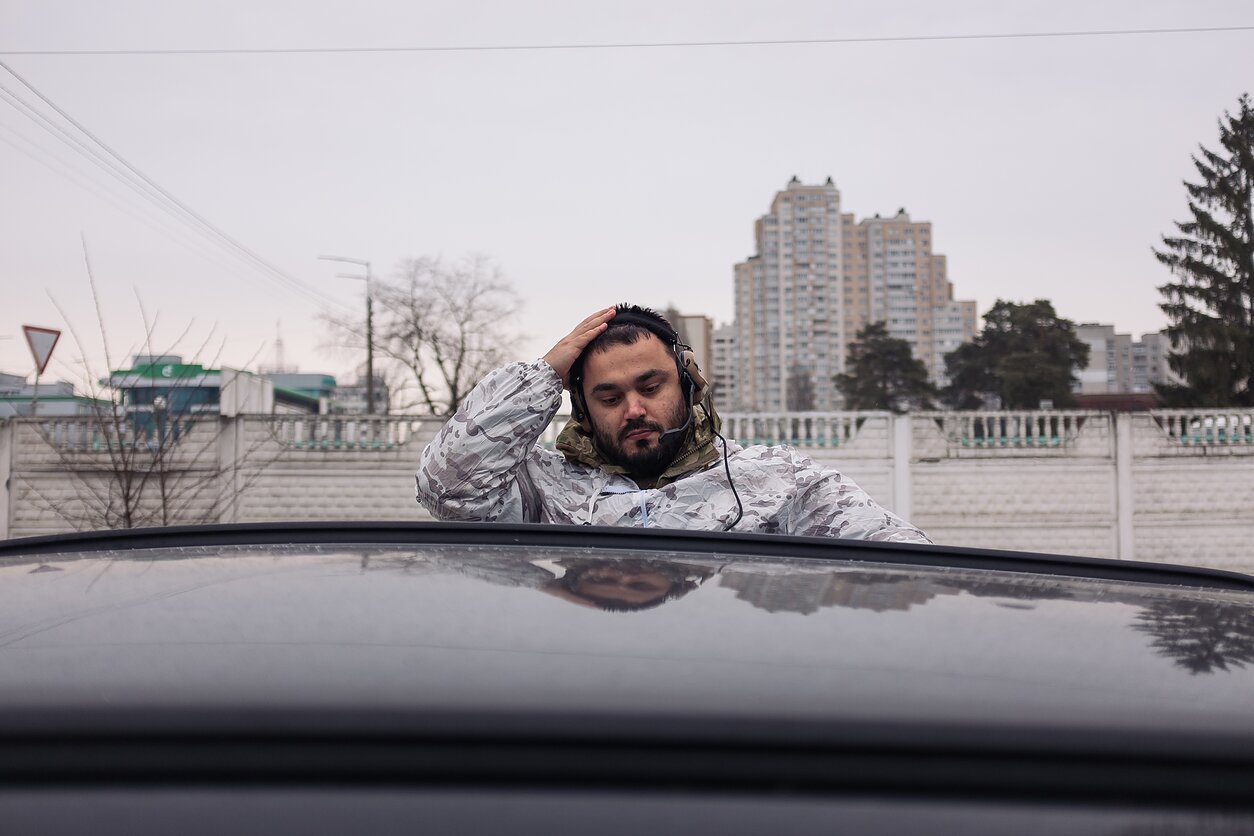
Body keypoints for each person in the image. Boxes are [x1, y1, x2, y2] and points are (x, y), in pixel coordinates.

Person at [416, 304, 930, 543]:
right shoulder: (542, 490)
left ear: (688, 384)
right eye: (609, 396)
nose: (634, 410)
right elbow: (448, 492)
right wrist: (547, 373)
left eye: (651, 386)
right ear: (584, 408)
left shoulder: (780, 480)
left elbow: (903, 566)